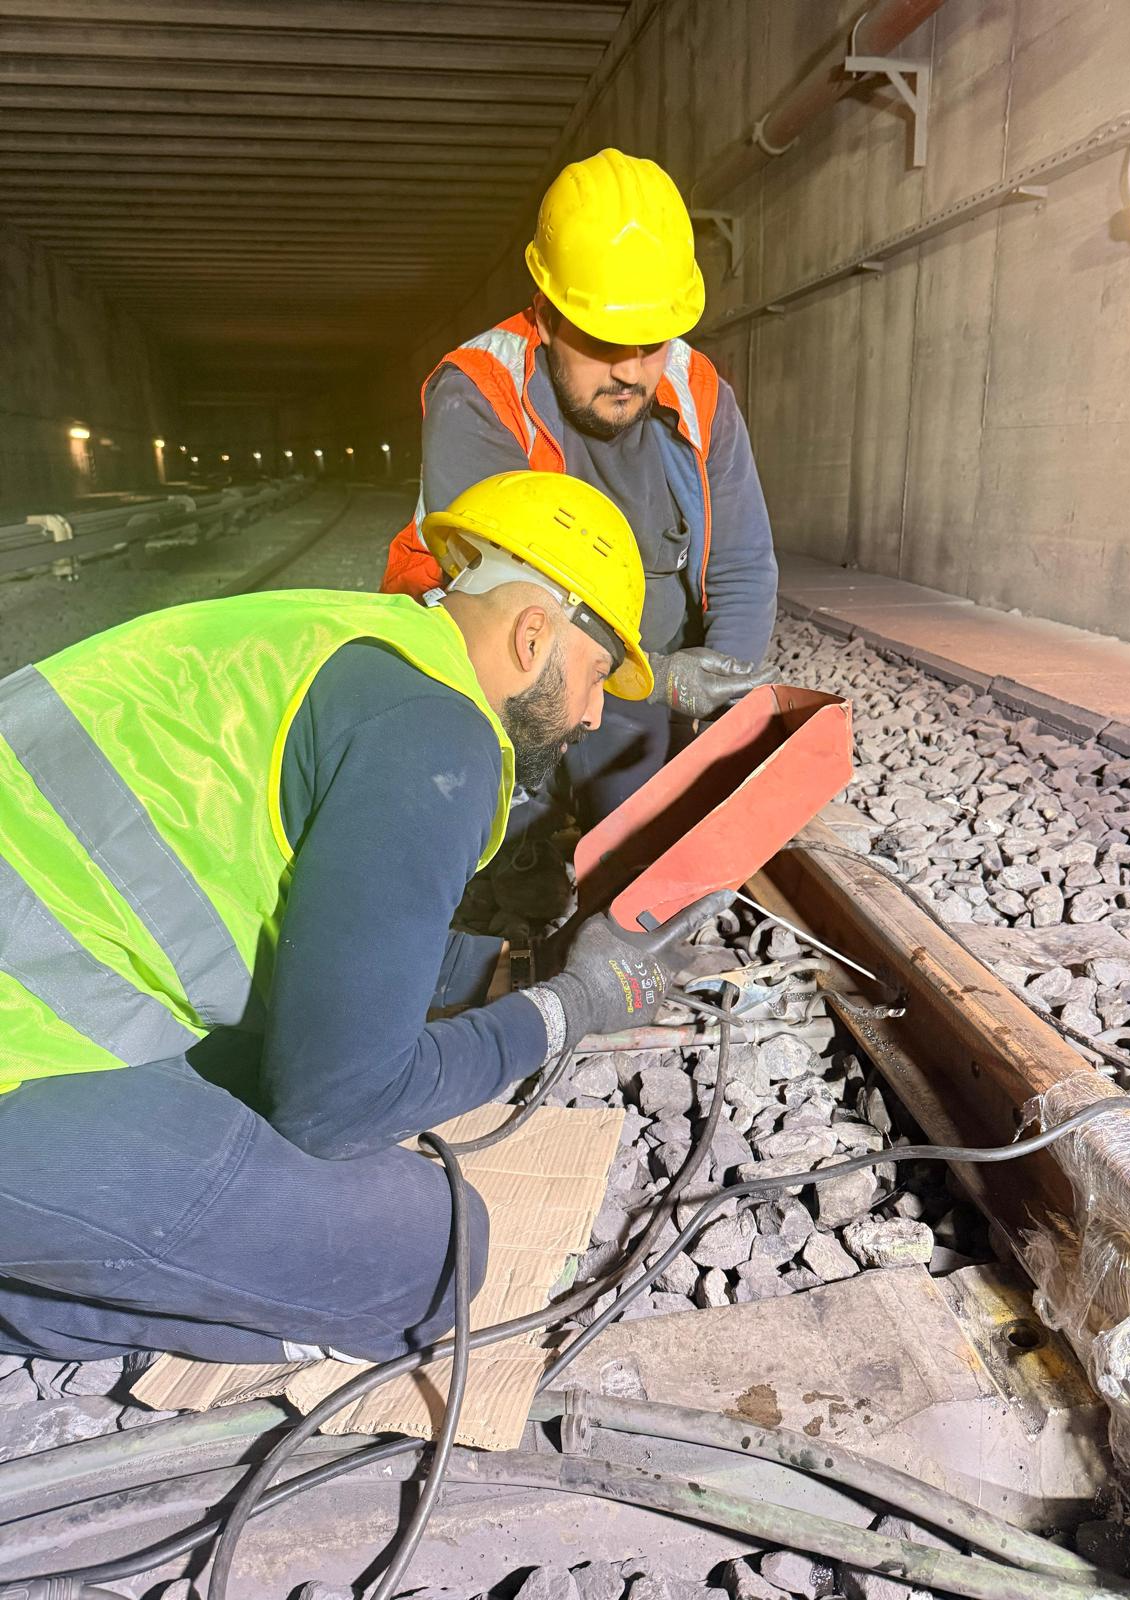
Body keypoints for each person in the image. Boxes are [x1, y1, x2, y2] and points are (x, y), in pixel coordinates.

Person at [0, 472, 718, 1366]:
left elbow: (276, 884)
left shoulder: (344, 644)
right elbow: (337, 1107)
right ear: (536, 635)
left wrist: (485, 936)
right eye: (596, 675)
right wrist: (575, 1007)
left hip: (33, 1005)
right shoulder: (436, 730)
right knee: (429, 1255)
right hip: (16, 1067)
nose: (591, 714)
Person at [381, 146, 778, 829]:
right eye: (602, 341)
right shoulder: (481, 391)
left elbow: (742, 563)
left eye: (650, 343)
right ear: (546, 314)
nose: (629, 371)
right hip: (506, 664)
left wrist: (721, 696)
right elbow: (513, 609)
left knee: (653, 821)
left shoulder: (699, 392)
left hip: (632, 673)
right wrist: (656, 679)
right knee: (510, 814)